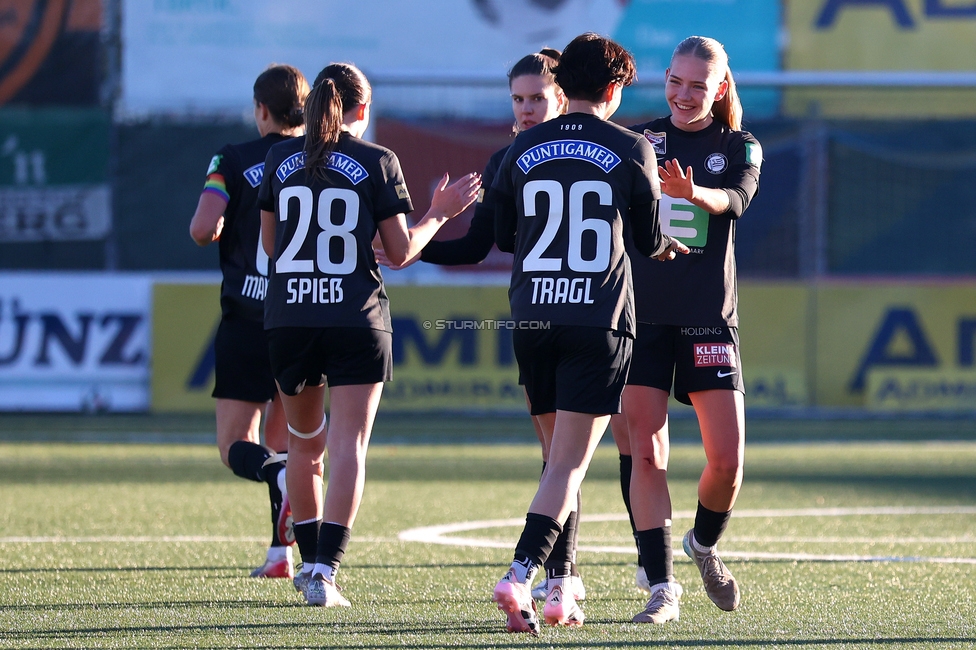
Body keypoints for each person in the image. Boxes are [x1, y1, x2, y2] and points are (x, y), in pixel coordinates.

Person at [257, 62, 481, 607]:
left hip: (290, 316)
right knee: (349, 444)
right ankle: (325, 573)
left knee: (304, 447)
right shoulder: (377, 161)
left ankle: (308, 566)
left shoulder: (279, 157)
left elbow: (270, 246)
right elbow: (401, 253)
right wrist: (440, 213)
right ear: (363, 108)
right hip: (355, 316)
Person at [489, 33, 687, 634]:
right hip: (596, 321)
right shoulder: (630, 147)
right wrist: (665, 245)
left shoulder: (520, 150)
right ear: (611, 90)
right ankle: (521, 574)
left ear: (561, 84)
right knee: (568, 468)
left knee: (555, 461)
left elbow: (502, 235)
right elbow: (650, 238)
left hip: (533, 318)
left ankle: (559, 591)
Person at [376, 48, 586, 604]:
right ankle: (562, 579)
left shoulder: (599, 151)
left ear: (562, 96)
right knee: (557, 458)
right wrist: (413, 243)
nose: (525, 109)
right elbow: (479, 244)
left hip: (596, 322)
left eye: (537, 97)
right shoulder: (507, 160)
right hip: (538, 317)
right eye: (517, 99)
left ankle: (609, 577)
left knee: (580, 457)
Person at [623, 35, 762, 624]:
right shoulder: (641, 141)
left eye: (697, 85)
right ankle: (660, 586)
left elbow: (736, 200)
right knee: (648, 455)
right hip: (641, 320)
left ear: (720, 88)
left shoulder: (741, 146)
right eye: (675, 82)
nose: (683, 94)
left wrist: (691, 193)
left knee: (726, 461)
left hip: (708, 319)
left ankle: (702, 545)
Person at [188, 64, 309, 579]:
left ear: (261, 110)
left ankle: (277, 491)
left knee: (237, 444)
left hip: (246, 316)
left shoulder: (232, 158)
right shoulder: (320, 159)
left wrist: (216, 229)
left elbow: (200, 228)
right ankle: (283, 555)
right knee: (287, 445)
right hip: (303, 316)